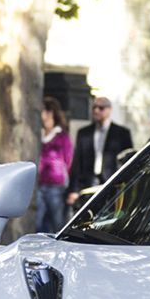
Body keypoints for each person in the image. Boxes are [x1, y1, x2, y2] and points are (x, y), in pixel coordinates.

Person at [68, 96, 133, 205]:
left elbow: (128, 160)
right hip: (88, 185)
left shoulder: (122, 133)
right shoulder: (83, 133)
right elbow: (77, 162)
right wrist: (73, 189)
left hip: (112, 185)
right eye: (94, 107)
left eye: (101, 108)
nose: (96, 110)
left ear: (109, 109)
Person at [36, 96, 72, 233]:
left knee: (57, 222)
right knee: (39, 223)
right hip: (39, 184)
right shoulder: (38, 133)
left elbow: (68, 159)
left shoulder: (61, 136)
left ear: (50, 112)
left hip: (55, 186)